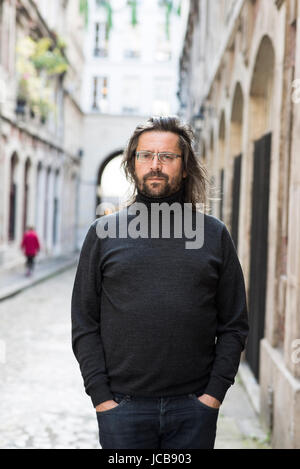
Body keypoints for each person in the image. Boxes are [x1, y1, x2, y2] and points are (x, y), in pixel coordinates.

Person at [71, 116, 249, 449]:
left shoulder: (213, 235)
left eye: (167, 156)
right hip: (122, 410)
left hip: (192, 409)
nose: (155, 165)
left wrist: (212, 396)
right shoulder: (104, 234)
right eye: (145, 155)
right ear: (132, 164)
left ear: (184, 167)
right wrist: (102, 399)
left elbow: (234, 325)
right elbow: (84, 324)